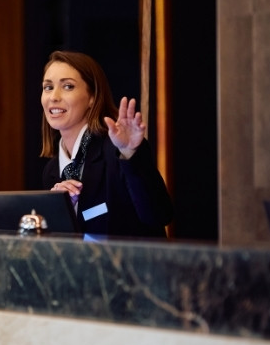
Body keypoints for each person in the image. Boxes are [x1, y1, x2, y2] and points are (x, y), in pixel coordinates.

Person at [40, 50, 173, 237]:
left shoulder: (118, 151)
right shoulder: (52, 170)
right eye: (48, 87)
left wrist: (130, 153)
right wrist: (59, 213)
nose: (54, 96)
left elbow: (158, 215)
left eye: (68, 86)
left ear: (92, 97)